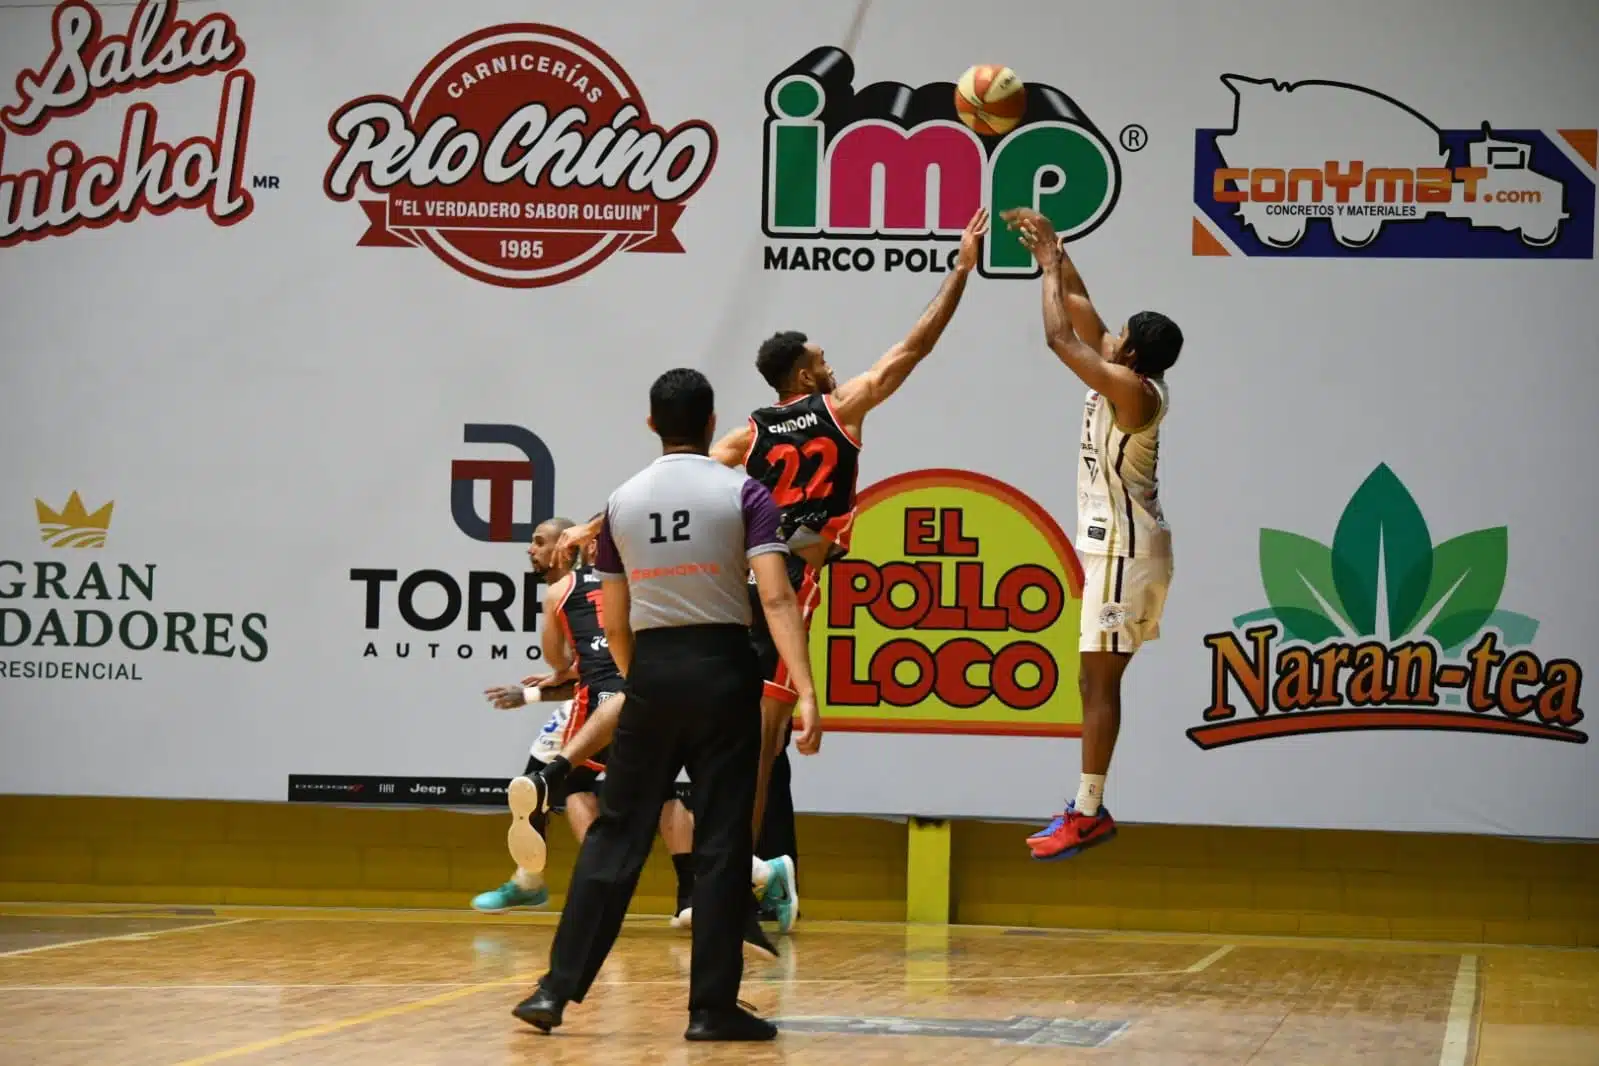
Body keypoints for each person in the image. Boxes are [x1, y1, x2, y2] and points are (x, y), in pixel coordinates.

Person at [554, 207, 990, 927]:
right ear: (804, 373)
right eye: (820, 358)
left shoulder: (745, 433)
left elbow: (671, 473)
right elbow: (915, 346)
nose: (831, 363)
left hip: (733, 594)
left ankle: (726, 876)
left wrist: (595, 523)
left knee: (704, 734)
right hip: (789, 588)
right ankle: (742, 884)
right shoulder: (842, 407)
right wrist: (959, 269)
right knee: (756, 750)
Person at [513, 368, 818, 1042]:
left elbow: (612, 618)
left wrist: (640, 678)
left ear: (652, 424)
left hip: (650, 672)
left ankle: (553, 991)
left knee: (615, 836)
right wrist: (806, 689)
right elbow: (773, 598)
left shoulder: (621, 503)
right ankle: (710, 1009)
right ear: (713, 425)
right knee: (719, 839)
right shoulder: (744, 491)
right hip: (722, 672)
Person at [1003, 207, 1183, 861]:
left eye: (1120, 335)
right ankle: (1084, 806)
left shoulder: (1133, 392)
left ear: (1129, 355)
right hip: (1122, 551)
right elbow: (1080, 310)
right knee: (1092, 682)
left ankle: (1087, 813)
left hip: (1122, 551)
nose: (1109, 335)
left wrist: (1049, 271)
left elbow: (1060, 336)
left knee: (1099, 684)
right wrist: (1053, 252)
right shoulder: (1127, 376)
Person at [473, 521, 697, 915]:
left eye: (538, 542)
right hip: (639, 692)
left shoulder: (565, 592)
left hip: (602, 699)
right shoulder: (626, 585)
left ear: (565, 546)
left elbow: (571, 667)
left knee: (556, 782)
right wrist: (541, 688)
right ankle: (533, 880)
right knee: (543, 781)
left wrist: (535, 690)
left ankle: (588, 882)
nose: (531, 549)